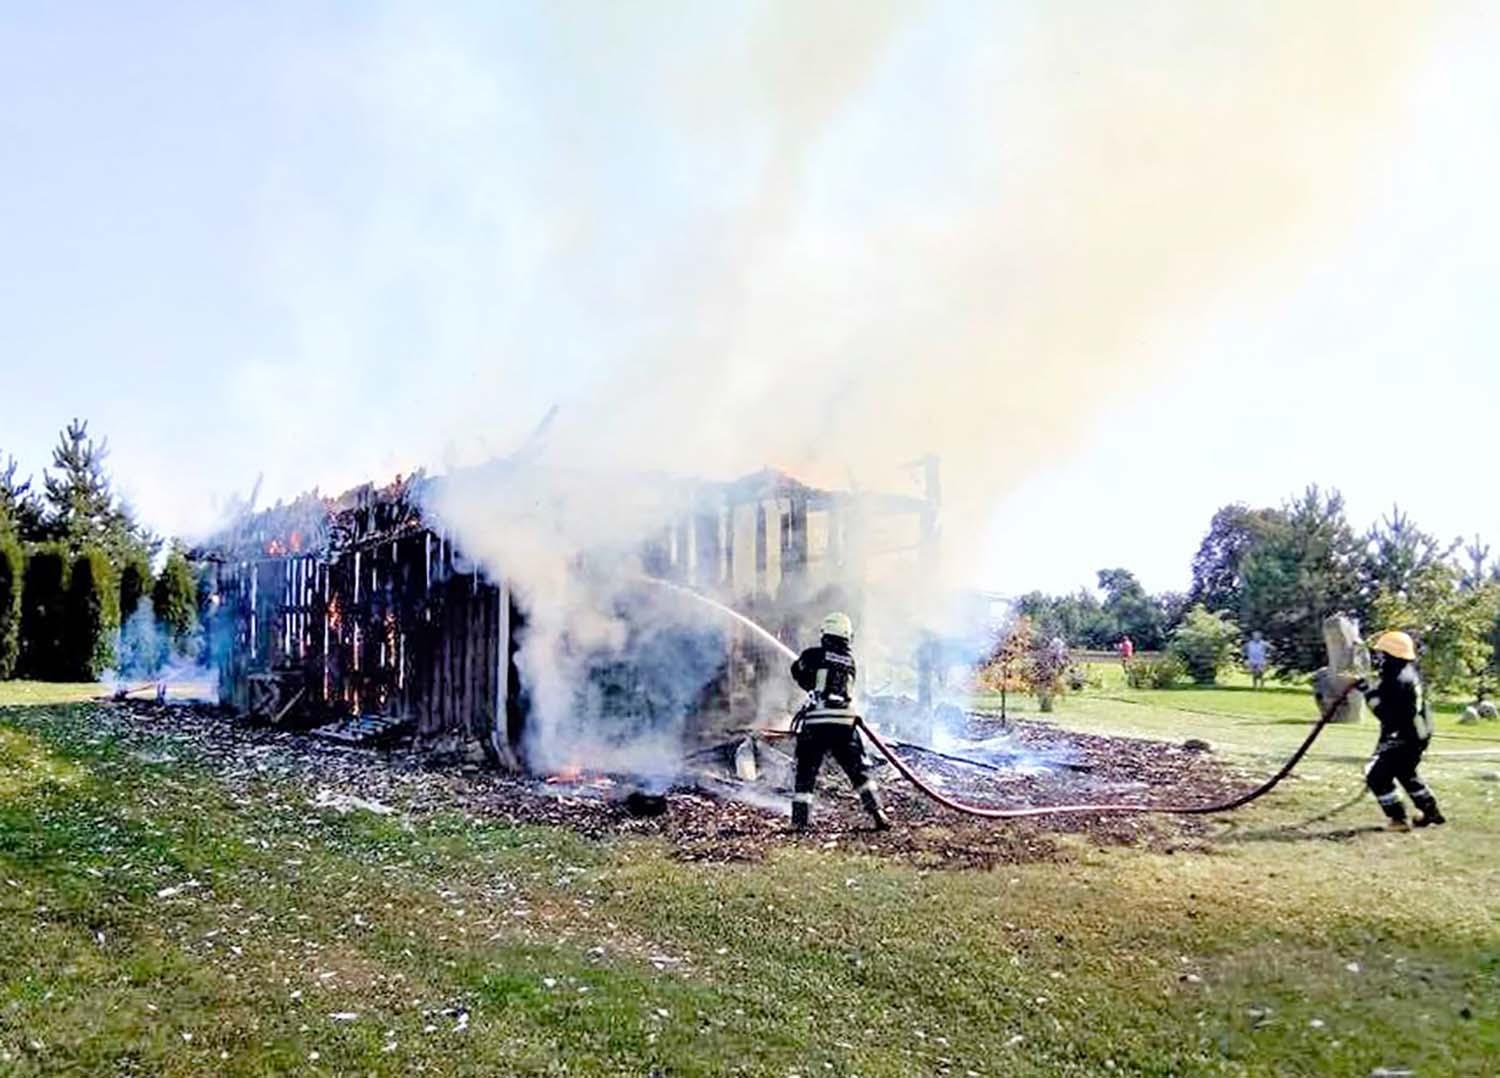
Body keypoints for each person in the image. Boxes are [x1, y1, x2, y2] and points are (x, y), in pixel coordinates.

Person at [789, 611, 892, 832]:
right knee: (858, 771)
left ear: (825, 633)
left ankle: (800, 822)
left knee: (806, 770)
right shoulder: (851, 662)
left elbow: (802, 677)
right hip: (846, 723)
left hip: (817, 721)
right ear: (847, 636)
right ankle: (878, 812)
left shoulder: (812, 655)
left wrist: (801, 671)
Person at [1360, 630, 1444, 832]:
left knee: (1378, 778)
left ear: (1390, 655)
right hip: (1419, 732)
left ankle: (1398, 820)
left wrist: (1369, 694)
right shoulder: (1406, 672)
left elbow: (1387, 714)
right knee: (1406, 773)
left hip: (1405, 736)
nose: (1378, 658)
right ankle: (1431, 812)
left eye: (1381, 654)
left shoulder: (1396, 679)